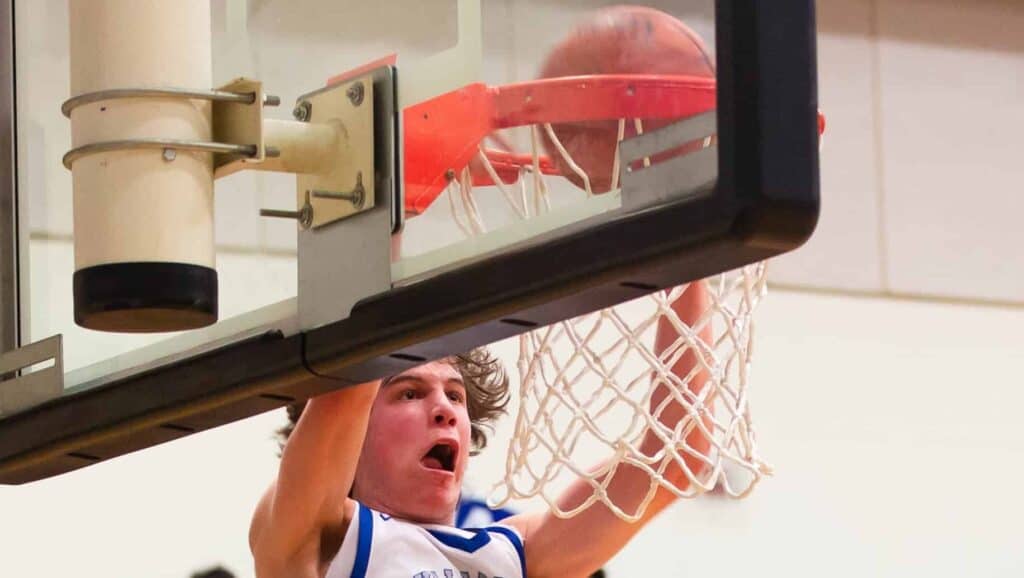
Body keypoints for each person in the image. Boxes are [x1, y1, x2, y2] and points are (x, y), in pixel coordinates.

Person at [249, 282, 711, 577]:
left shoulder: (515, 552)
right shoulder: (318, 538)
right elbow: (344, 390)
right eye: (410, 393)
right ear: (356, 433)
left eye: (455, 395)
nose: (445, 410)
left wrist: (692, 256)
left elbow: (676, 458)